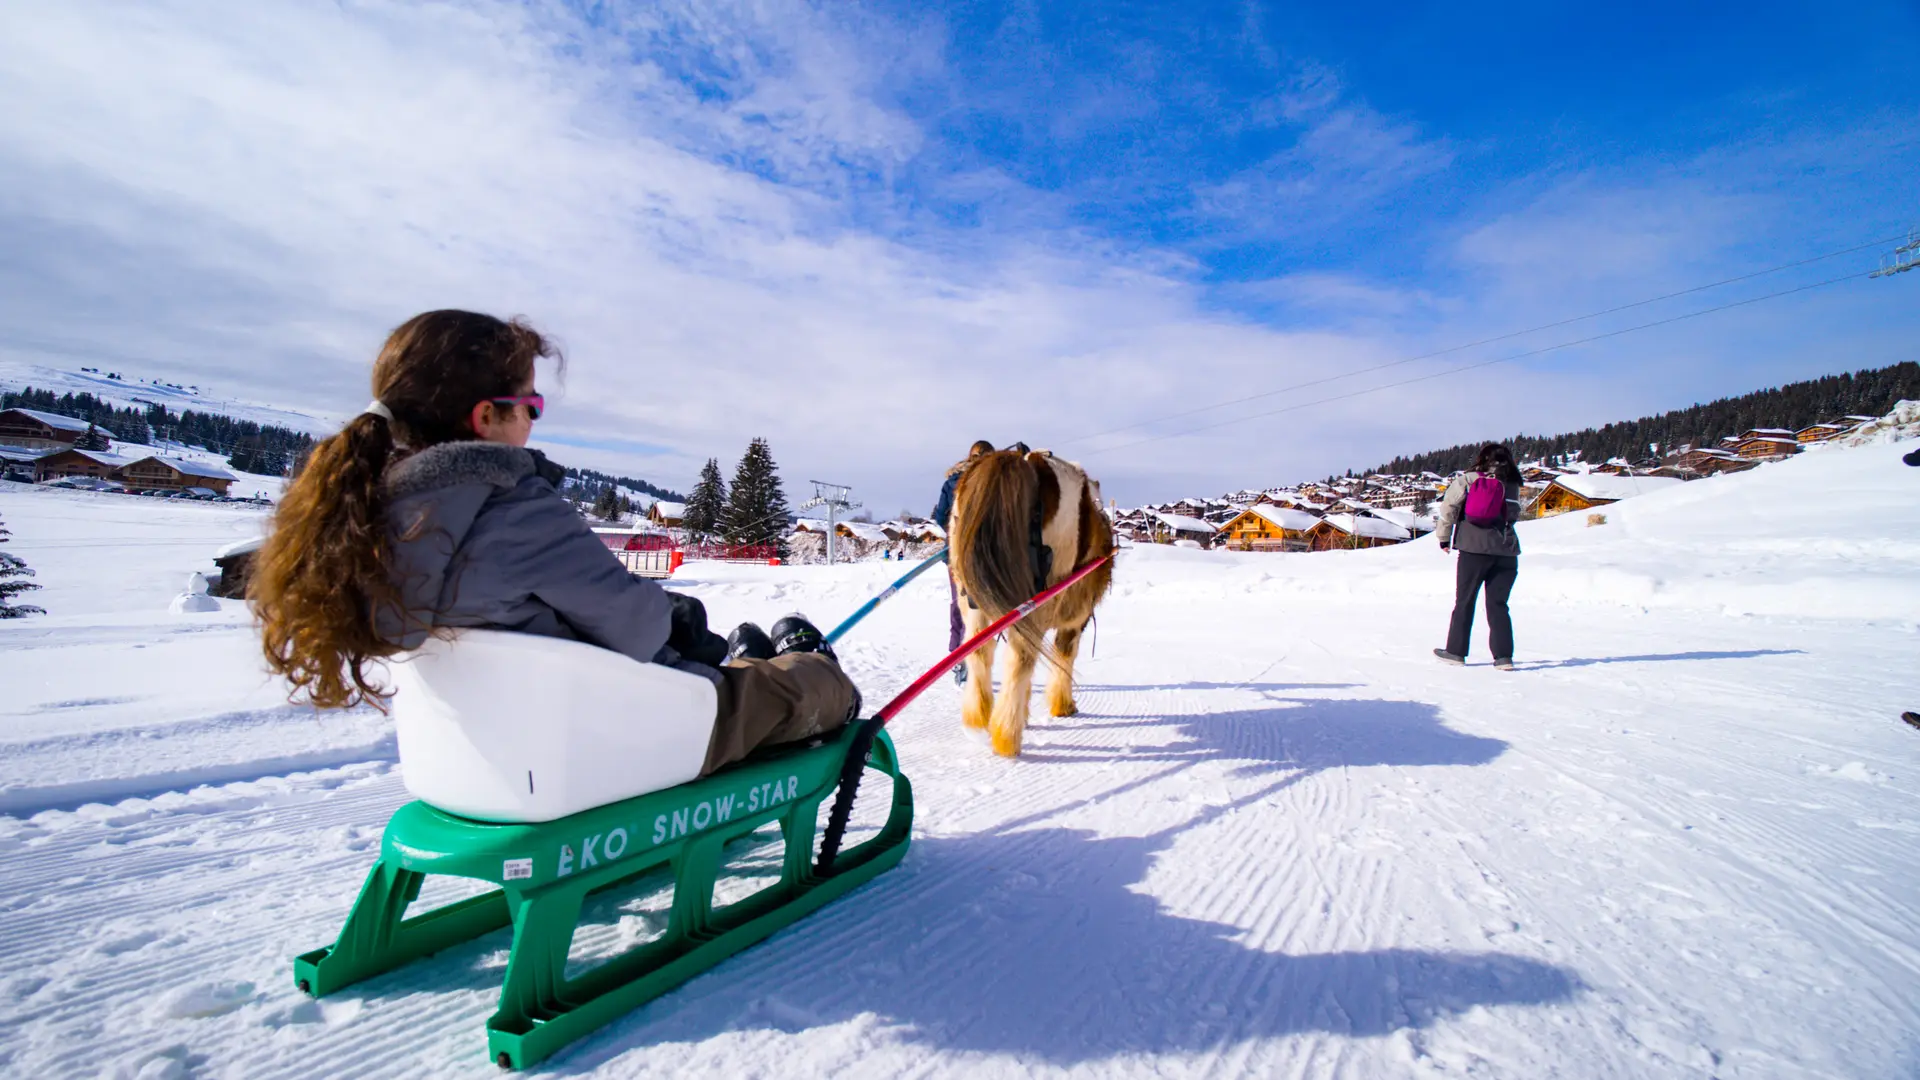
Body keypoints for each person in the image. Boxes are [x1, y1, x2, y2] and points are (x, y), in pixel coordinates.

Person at [248, 310, 858, 776]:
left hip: (491, 759)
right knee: (819, 686)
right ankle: (792, 665)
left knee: (731, 659)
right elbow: (638, 630)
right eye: (531, 405)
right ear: (488, 418)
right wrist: (672, 614)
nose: (535, 419)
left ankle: (755, 662)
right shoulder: (511, 508)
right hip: (626, 737)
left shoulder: (361, 512)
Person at [1432, 443, 1525, 670]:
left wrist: (1444, 538)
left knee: (1465, 601)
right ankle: (1504, 658)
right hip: (1506, 552)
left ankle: (1455, 652)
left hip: (1473, 550)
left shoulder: (1469, 479)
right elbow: (1513, 515)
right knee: (1498, 605)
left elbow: (1449, 508)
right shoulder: (1513, 484)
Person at [933, 439, 996, 684]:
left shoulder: (952, 482)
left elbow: (940, 517)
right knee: (982, 605)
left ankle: (956, 653)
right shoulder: (991, 481)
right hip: (985, 554)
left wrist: (955, 533)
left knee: (960, 604)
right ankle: (976, 653)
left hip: (957, 554)